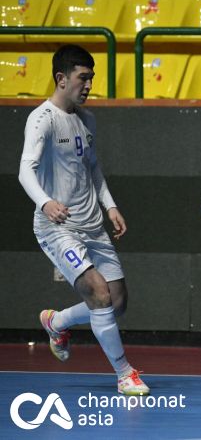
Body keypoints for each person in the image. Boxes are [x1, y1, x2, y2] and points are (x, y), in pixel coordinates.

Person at [18, 44, 149, 396]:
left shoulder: (87, 119)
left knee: (117, 302)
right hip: (58, 228)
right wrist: (45, 203)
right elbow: (24, 170)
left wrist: (110, 206)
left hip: (93, 225)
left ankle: (56, 321)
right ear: (62, 79)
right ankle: (124, 373)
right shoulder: (42, 119)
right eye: (83, 78)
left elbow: (92, 168)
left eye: (91, 78)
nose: (89, 85)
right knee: (98, 292)